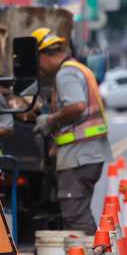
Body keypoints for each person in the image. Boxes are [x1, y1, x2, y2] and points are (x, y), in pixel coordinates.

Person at [31, 27, 112, 234]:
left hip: (80, 155)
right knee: (79, 213)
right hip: (88, 153)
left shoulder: (65, 74)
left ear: (44, 55)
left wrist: (50, 120)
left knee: (75, 216)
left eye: (38, 62)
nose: (40, 69)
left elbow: (77, 106)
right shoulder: (78, 68)